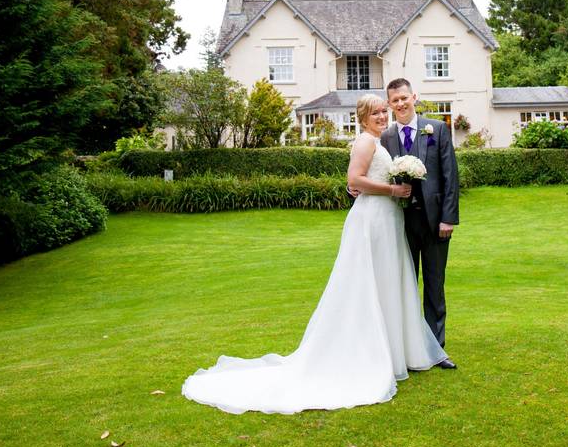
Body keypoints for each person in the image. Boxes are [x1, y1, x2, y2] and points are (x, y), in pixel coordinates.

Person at [181, 94, 447, 414]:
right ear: (362, 117)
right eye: (375, 112)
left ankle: (395, 351)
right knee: (367, 284)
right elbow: (354, 180)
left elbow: (366, 179)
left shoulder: (380, 141)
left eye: (382, 112)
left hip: (388, 220)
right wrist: (393, 190)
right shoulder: (364, 142)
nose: (381, 116)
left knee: (388, 283)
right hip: (372, 221)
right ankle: (366, 352)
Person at [380, 78, 459, 369]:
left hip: (436, 221)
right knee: (405, 286)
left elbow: (450, 176)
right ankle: (409, 348)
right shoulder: (386, 136)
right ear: (389, 104)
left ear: (414, 97)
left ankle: (437, 349)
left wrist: (448, 218)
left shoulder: (436, 129)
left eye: (404, 98)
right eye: (394, 101)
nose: (400, 104)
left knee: (435, 286)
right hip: (401, 223)